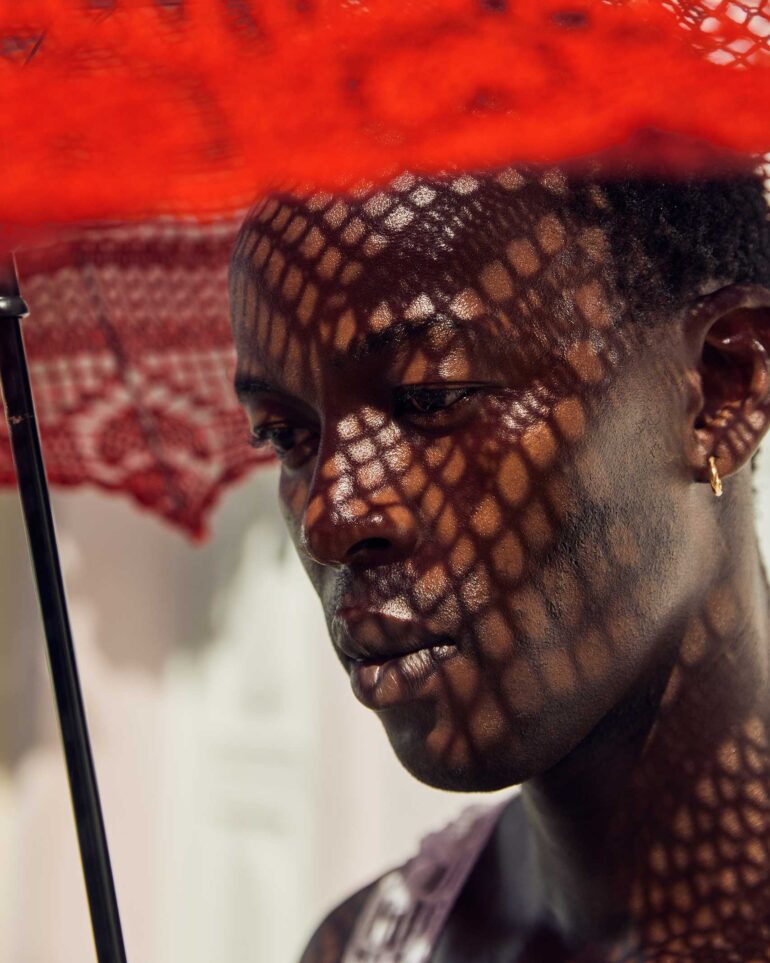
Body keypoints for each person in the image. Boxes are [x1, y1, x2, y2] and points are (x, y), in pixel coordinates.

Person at [228, 164, 770, 961]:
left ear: (722, 390)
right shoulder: (361, 946)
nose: (330, 517)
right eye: (287, 436)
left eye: (430, 398)